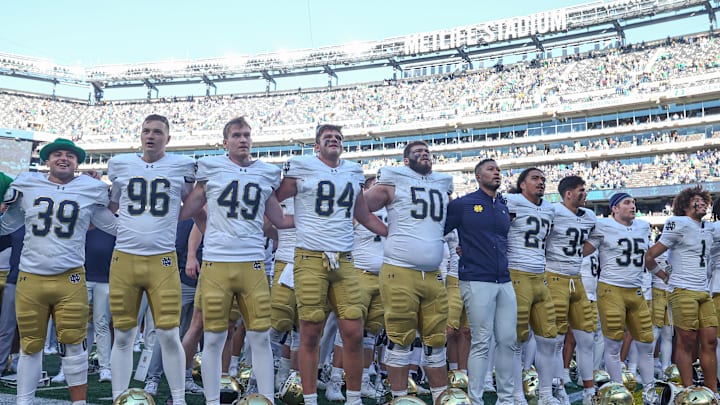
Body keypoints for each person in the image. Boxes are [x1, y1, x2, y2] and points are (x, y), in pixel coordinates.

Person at [179, 116, 293, 404]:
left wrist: (316, 217)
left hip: (253, 264)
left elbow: (278, 218)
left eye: (247, 135)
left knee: (259, 337)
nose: (243, 139)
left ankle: (265, 398)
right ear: (225, 142)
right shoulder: (211, 167)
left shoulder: (267, 173)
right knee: (214, 337)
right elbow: (188, 209)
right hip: (217, 263)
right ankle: (212, 400)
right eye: (237, 135)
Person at [275, 123, 387, 405]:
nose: (334, 140)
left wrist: (392, 234)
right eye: (328, 137)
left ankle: (353, 397)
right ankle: (310, 397)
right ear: (317, 146)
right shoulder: (302, 166)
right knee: (310, 332)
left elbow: (362, 213)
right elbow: (273, 196)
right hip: (310, 256)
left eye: (338, 137)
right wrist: (278, 222)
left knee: (353, 331)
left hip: (344, 258)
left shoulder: (352, 170)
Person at [1, 138, 117, 405]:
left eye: (70, 155)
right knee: (30, 346)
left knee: (75, 345)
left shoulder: (90, 188)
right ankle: (24, 401)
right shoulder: (27, 184)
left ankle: (79, 403)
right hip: (31, 277)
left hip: (71, 277)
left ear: (78, 162)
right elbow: (7, 226)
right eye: (57, 155)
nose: (63, 159)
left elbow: (109, 224)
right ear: (47, 160)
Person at [107, 114, 196, 404]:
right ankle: (119, 397)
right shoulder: (120, 164)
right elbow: (113, 205)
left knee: (169, 334)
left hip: (163, 261)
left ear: (167, 138)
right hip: (125, 259)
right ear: (140, 134)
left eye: (158, 132)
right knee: (123, 335)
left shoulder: (181, 166)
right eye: (146, 130)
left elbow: (194, 206)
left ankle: (179, 398)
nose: (151, 136)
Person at [364, 141, 453, 403]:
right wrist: (384, 231)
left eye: (427, 152)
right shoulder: (393, 178)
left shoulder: (443, 182)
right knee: (400, 339)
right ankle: (400, 397)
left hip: (433, 272)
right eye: (418, 152)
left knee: (437, 340)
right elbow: (361, 206)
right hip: (400, 269)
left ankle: (440, 397)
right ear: (405, 160)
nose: (424, 155)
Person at [444, 158, 515, 405]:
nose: (496, 173)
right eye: (490, 169)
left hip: (504, 279)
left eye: (498, 170)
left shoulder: (503, 206)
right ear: (477, 175)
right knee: (482, 340)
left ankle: (506, 399)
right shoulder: (463, 204)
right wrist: (460, 251)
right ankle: (475, 398)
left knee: (508, 340)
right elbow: (439, 232)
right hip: (475, 278)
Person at [583, 192, 656, 405]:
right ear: (615, 208)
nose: (632, 205)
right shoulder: (602, 225)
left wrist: (663, 273)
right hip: (610, 289)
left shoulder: (643, 226)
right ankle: (618, 391)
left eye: (634, 202)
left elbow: (648, 257)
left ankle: (650, 389)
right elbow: (584, 250)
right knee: (613, 345)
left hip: (636, 289)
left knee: (646, 342)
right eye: (627, 202)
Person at [645, 186, 716, 393]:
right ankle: (688, 391)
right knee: (686, 341)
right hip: (683, 289)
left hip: (704, 291)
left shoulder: (708, 227)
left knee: (710, 341)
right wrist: (664, 275)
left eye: (704, 200)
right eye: (697, 200)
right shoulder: (679, 223)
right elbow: (650, 256)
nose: (702, 203)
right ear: (685, 205)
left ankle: (712, 392)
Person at [502, 168, 560, 405]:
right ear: (522, 184)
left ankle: (545, 394)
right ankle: (516, 395)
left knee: (549, 339)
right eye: (535, 179)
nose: (541, 183)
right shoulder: (511, 201)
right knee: (517, 340)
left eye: (543, 179)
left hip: (540, 275)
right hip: (516, 273)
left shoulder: (549, 208)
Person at [544, 175, 597, 405]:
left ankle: (589, 390)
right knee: (555, 339)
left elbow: (596, 238)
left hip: (576, 278)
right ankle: (557, 386)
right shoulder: (553, 211)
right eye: (581, 190)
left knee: (587, 337)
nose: (585, 194)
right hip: (554, 276)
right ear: (568, 194)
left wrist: (576, 254)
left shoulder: (589, 217)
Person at [85, 226, 116, 383]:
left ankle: (105, 368)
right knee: (80, 325)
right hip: (83, 276)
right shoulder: (85, 217)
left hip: (105, 279)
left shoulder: (113, 222)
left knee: (101, 323)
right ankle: (73, 366)